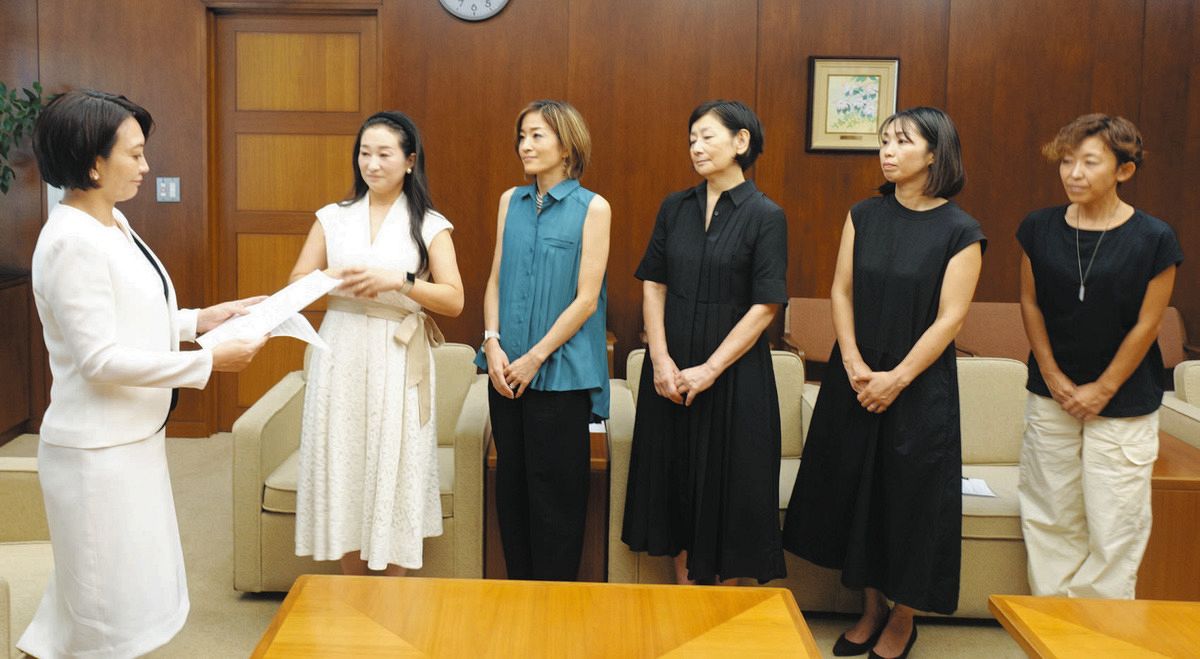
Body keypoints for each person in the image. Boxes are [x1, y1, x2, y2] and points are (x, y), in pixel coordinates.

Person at [19, 89, 266, 658]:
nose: (146, 166)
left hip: (131, 439)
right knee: (106, 612)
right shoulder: (71, 242)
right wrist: (207, 361)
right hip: (95, 455)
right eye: (133, 154)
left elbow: (130, 314)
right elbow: (100, 359)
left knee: (96, 599)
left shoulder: (112, 222)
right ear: (93, 163)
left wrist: (200, 320)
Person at [783, 107, 984, 659]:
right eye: (884, 141)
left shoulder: (961, 230)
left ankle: (903, 617)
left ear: (935, 154)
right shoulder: (864, 214)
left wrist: (896, 379)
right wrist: (851, 361)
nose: (888, 152)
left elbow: (950, 319)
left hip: (917, 384)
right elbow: (841, 290)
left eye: (902, 142)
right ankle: (870, 607)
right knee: (859, 493)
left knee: (910, 501)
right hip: (856, 375)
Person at [621, 99, 788, 586]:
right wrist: (659, 360)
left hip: (734, 376)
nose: (696, 147)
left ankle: (720, 608)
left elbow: (766, 306)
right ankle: (685, 598)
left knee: (730, 494)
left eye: (707, 136)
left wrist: (711, 369)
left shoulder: (766, 215)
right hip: (671, 374)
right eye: (691, 138)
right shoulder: (675, 207)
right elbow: (653, 284)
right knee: (676, 488)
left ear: (741, 141)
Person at [291, 111, 464, 576]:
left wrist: (401, 281)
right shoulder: (333, 217)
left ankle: (391, 590)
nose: (371, 163)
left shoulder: (430, 224)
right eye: (364, 153)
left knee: (396, 460)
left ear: (410, 161)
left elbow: (454, 299)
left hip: (396, 351)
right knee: (344, 459)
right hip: (340, 347)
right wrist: (331, 277)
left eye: (384, 154)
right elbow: (296, 284)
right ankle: (353, 588)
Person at [1016, 114, 1181, 600]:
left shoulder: (1154, 238)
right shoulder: (1038, 227)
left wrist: (1102, 389)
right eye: (1067, 161)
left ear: (1124, 170)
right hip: (1052, 394)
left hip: (1125, 399)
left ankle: (1096, 631)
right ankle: (1050, 625)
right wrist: (1053, 375)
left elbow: (1148, 323)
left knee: (1115, 522)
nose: (1074, 173)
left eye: (1089, 162)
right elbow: (1030, 302)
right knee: (1050, 515)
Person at [476, 99, 611, 581]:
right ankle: (520, 598)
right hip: (504, 371)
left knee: (556, 500)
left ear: (566, 145)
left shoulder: (593, 207)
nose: (525, 145)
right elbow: (495, 279)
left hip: (560, 375)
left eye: (537, 135)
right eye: (522, 136)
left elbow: (587, 300)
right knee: (511, 492)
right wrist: (492, 343)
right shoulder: (509, 201)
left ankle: (555, 605)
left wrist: (534, 357)